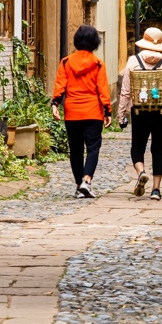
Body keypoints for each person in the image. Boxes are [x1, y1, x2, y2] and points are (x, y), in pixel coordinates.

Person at [117, 27, 162, 201]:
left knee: (137, 147)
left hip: (139, 111)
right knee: (158, 148)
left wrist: (121, 115)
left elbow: (125, 92)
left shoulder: (133, 61)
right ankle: (156, 190)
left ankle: (141, 172)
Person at [52, 25, 112, 198]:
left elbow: (60, 86)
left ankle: (79, 185)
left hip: (72, 112)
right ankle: (87, 180)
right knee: (93, 148)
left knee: (76, 149)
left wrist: (55, 104)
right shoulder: (99, 64)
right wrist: (107, 111)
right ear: (95, 43)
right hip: (93, 112)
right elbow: (103, 90)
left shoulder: (66, 62)